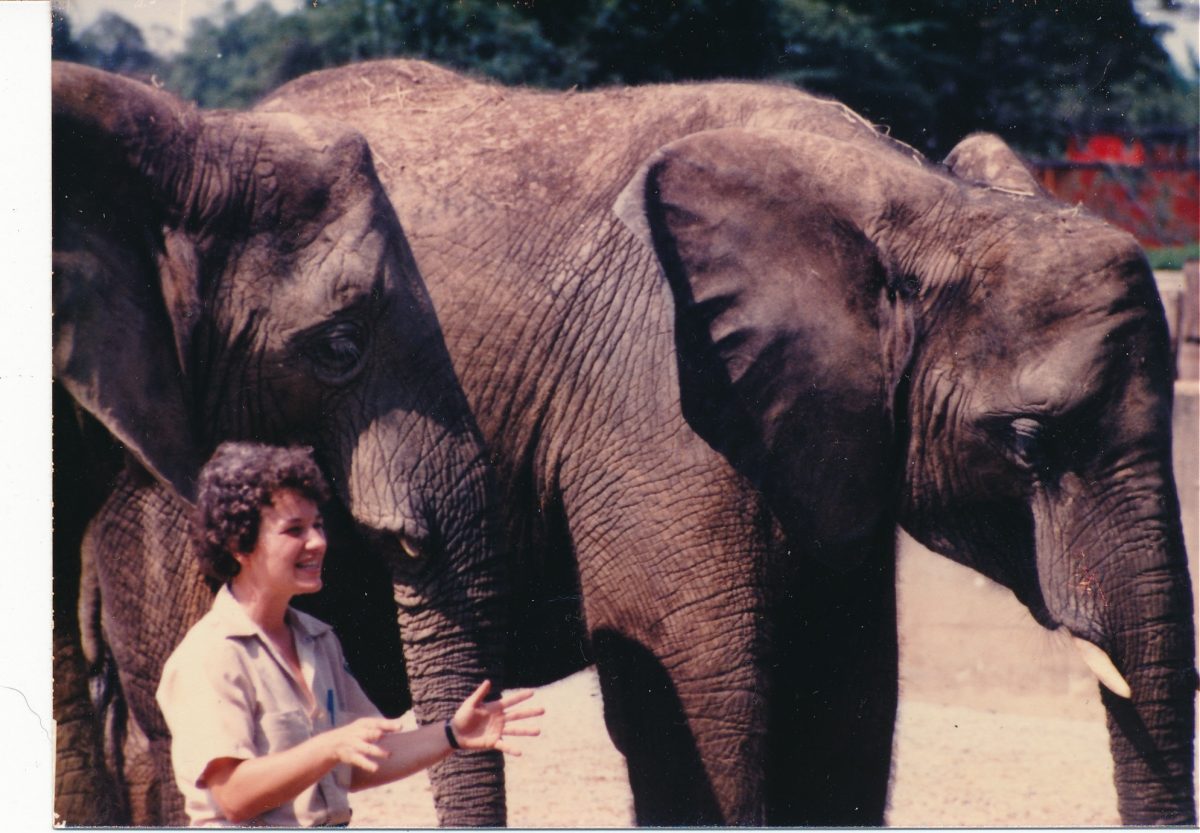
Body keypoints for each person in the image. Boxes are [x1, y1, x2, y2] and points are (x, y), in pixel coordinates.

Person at [156, 441, 542, 827]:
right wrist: (329, 746)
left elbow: (361, 761)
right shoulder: (209, 658)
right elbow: (234, 797)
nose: (318, 542)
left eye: (318, 525)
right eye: (294, 530)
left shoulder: (319, 640)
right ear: (240, 545)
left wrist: (452, 735)